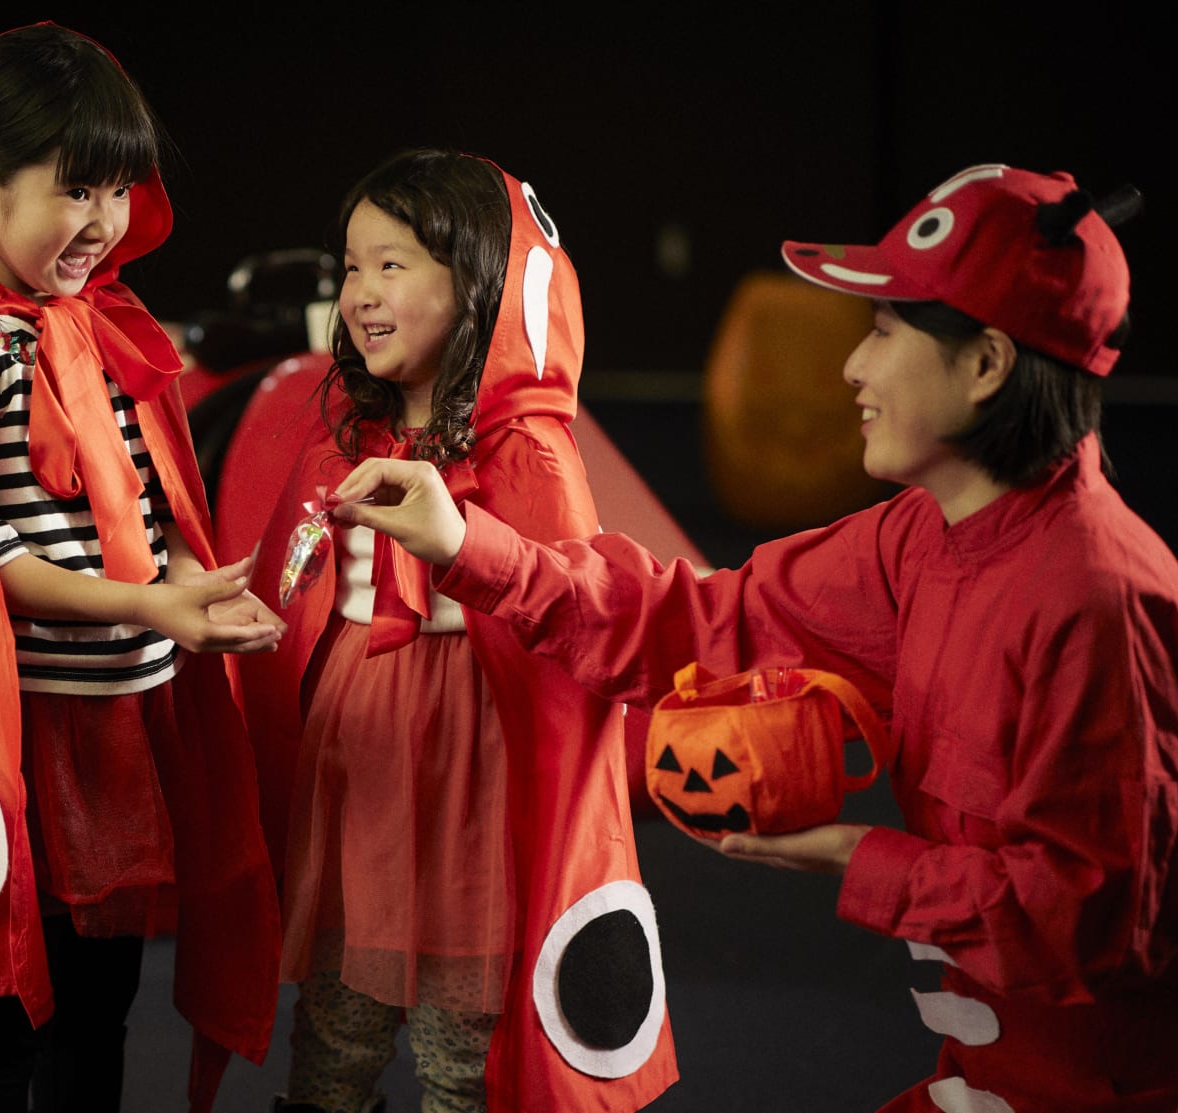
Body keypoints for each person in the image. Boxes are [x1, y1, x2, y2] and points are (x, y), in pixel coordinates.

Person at [330, 163, 1178, 1112]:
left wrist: (856, 855)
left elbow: (1096, 923)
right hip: (983, 1074)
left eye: (886, 332)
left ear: (986, 364)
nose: (853, 367)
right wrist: (472, 546)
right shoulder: (919, 537)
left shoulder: (1096, 596)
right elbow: (703, 623)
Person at [0, 23, 284, 1113]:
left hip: (115, 722)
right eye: (78, 191)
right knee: (3, 1015)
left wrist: (187, 583)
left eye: (120, 191)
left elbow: (155, 489)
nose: (104, 224)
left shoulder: (96, 327)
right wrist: (150, 602)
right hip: (21, 730)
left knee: (99, 1004)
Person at [239, 149, 678, 1113]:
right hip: (360, 751)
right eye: (351, 267)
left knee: (462, 1045)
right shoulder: (346, 430)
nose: (361, 292)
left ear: (476, 281)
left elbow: (570, 617)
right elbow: (298, 571)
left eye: (392, 264)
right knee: (334, 1022)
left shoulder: (528, 451)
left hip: (476, 756)